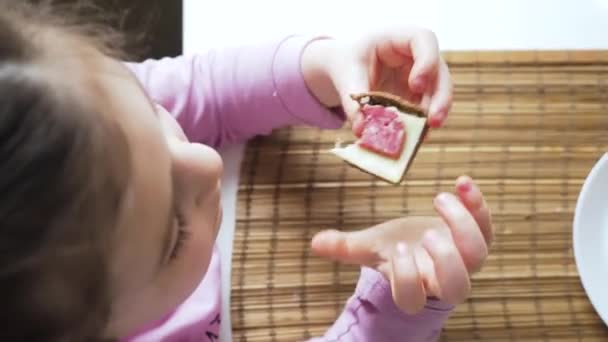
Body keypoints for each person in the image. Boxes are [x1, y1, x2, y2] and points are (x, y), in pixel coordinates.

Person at [0, 1, 493, 341]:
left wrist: (324, 70)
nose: (206, 161)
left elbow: (206, 88)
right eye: (173, 235)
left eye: (152, 113)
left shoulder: (67, 107)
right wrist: (392, 310)